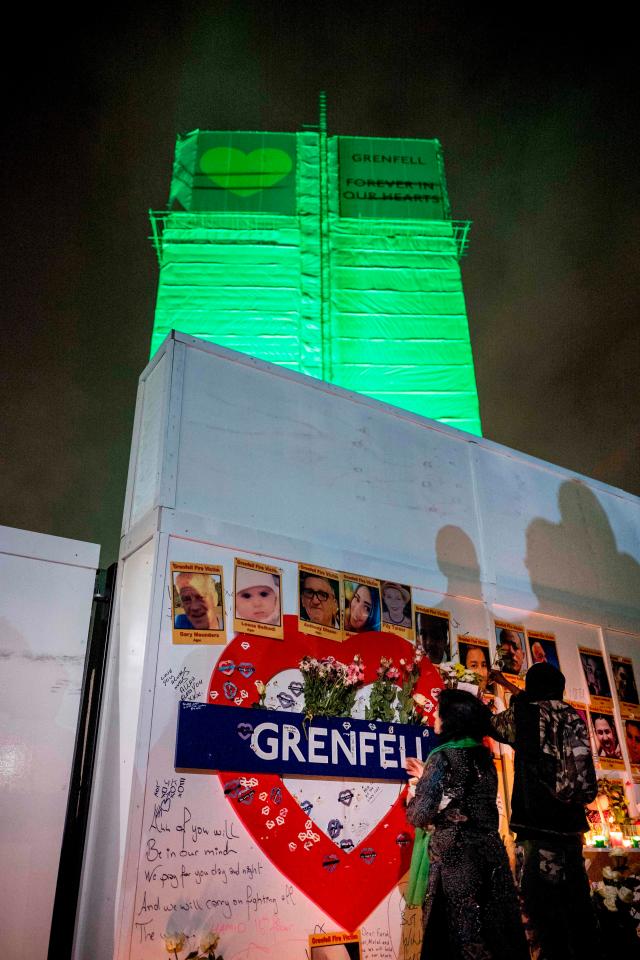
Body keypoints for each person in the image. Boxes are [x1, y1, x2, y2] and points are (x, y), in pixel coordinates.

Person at [404, 690, 528, 960]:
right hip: (490, 856)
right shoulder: (484, 757)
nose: (435, 716)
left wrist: (411, 797)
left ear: (452, 718)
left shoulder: (442, 757)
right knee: (492, 935)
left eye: (439, 711)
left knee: (456, 935)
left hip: (455, 860)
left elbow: (420, 814)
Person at [490, 662, 600, 960]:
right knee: (577, 912)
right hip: (572, 831)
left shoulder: (526, 714)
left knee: (542, 917)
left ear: (532, 687)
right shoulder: (571, 715)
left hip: (537, 832)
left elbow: (493, 724)